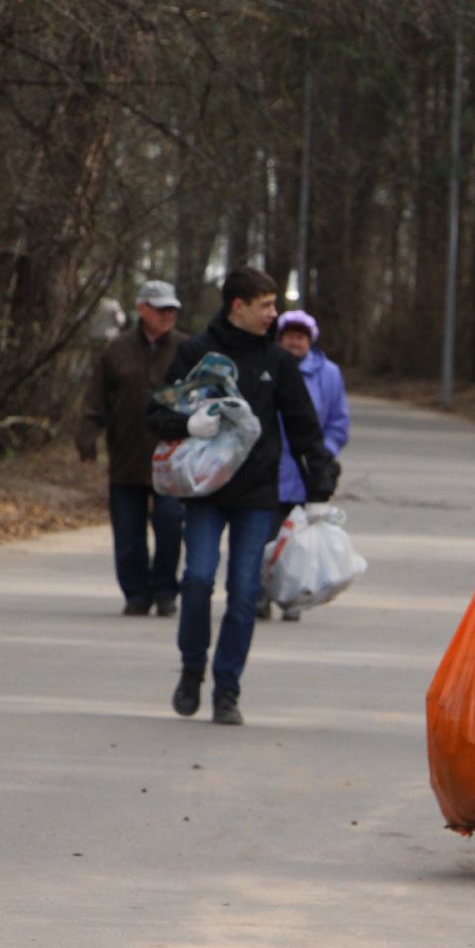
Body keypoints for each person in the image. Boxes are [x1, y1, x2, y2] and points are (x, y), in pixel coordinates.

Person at [146, 269, 338, 726]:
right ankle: (192, 669)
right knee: (197, 579)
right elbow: (155, 412)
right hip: (206, 492)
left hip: (257, 495)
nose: (274, 314)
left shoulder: (278, 361)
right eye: (265, 305)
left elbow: (305, 428)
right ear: (238, 307)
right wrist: (188, 425)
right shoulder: (196, 353)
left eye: (274, 304)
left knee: (245, 591)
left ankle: (227, 689)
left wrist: (319, 491)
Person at [76, 279, 186, 617]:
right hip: (127, 455)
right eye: (161, 309)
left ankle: (165, 590)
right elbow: (95, 400)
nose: (168, 315)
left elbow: (204, 397)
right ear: (142, 310)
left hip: (173, 459)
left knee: (170, 525)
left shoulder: (186, 349)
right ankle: (136, 593)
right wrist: (87, 439)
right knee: (128, 533)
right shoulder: (116, 350)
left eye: (172, 309)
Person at [259, 309, 351, 623]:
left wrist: (321, 454)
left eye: (301, 337)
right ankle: (258, 596)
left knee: (298, 545)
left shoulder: (329, 374)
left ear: (310, 341)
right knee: (264, 538)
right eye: (289, 336)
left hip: (306, 475)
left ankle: (293, 596)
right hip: (269, 470)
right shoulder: (266, 367)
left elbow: (338, 422)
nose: (295, 342)